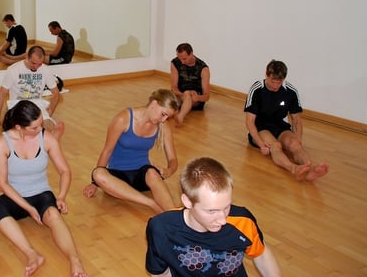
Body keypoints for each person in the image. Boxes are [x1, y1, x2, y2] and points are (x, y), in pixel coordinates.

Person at [0, 100, 88, 277]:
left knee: (53, 214)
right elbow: (2, 184)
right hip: (15, 196)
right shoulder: (2, 143)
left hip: (41, 194)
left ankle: (75, 260)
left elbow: (65, 171)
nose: (40, 129)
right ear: (19, 127)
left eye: (41, 124)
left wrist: (61, 197)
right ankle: (32, 255)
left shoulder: (46, 138)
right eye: (34, 127)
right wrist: (29, 208)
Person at [145, 157, 282, 277]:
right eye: (212, 211)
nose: (223, 220)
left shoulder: (243, 221)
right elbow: (160, 273)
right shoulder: (162, 228)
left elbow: (261, 254)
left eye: (226, 207)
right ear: (187, 202)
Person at [82, 89, 180, 214]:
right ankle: (151, 204)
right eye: (163, 114)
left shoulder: (163, 126)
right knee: (98, 174)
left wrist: (169, 171)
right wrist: (95, 184)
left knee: (152, 173)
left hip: (142, 175)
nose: (163, 120)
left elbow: (173, 159)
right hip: (118, 177)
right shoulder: (123, 119)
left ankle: (173, 214)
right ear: (154, 103)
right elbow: (107, 151)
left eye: (167, 117)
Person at [244, 60, 329, 182]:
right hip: (260, 127)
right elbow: (249, 121)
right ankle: (293, 168)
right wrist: (260, 144)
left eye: (279, 82)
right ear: (266, 74)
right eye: (272, 81)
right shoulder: (257, 89)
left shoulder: (290, 91)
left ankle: (310, 171)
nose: (275, 86)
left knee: (294, 144)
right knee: (276, 145)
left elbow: (296, 120)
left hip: (280, 126)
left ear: (284, 79)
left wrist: (298, 142)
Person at [0, 46, 62, 137]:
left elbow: (56, 93)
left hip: (37, 104)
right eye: (33, 63)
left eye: (40, 64)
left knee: (47, 127)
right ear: (26, 57)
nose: (36, 67)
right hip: (17, 104)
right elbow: (2, 93)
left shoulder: (46, 70)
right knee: (22, 129)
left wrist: (50, 111)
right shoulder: (13, 70)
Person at [170, 43, 210, 127]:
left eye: (184, 59)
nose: (182, 62)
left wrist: (198, 97)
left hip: (195, 98)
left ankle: (180, 117)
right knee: (162, 96)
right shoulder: (175, 63)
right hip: (180, 95)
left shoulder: (203, 68)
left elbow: (207, 96)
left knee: (188, 94)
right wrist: (181, 94)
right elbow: (173, 87)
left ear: (191, 54)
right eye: (179, 58)